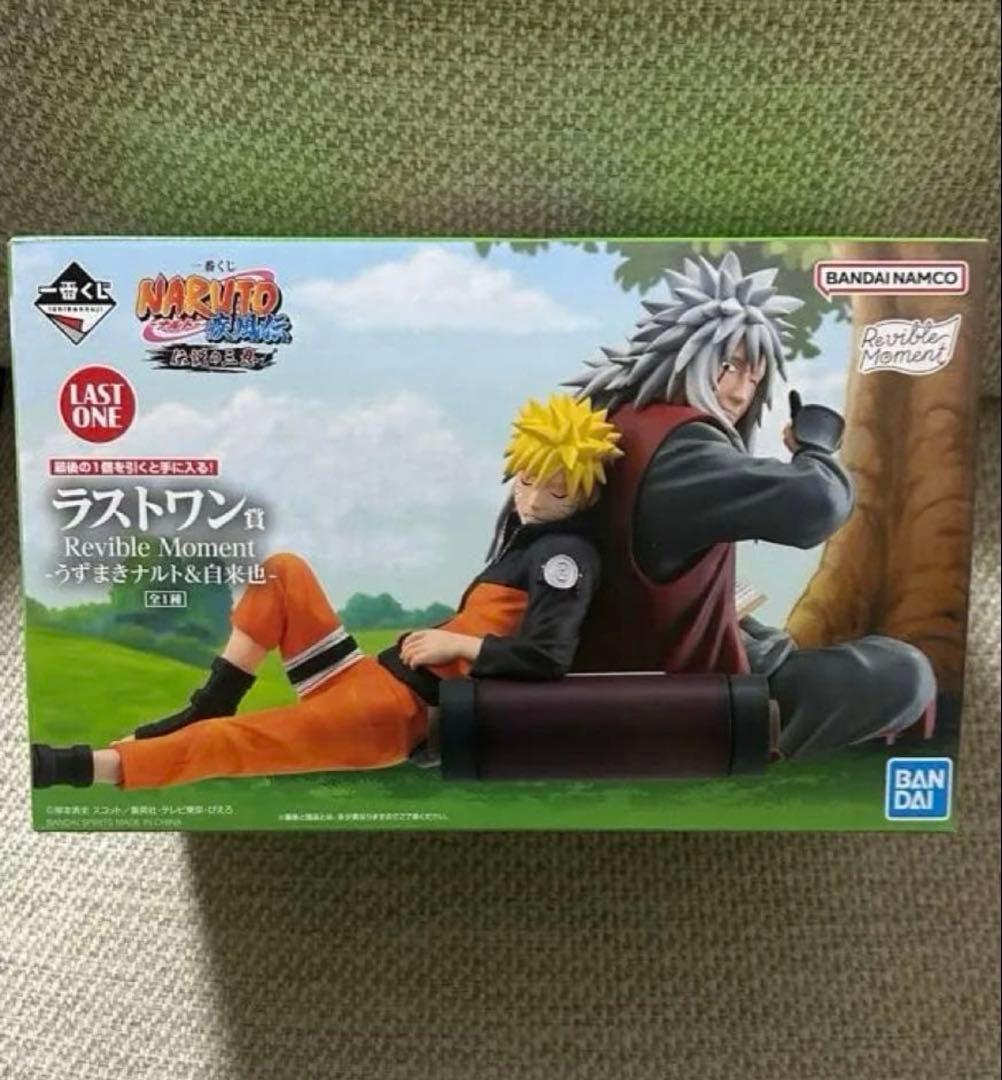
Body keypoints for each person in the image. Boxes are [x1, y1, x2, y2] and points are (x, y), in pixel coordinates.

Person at [31, 393, 623, 790]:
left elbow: (548, 657)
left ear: (588, 496)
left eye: (557, 491)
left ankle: (76, 767)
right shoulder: (526, 541)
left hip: (390, 714)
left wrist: (460, 647)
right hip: (365, 678)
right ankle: (212, 698)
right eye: (526, 479)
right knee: (281, 570)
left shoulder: (563, 557)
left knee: (232, 743)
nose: (532, 500)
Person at [564, 250, 935, 758]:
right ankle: (752, 739)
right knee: (904, 671)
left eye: (754, 377)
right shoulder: (682, 447)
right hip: (686, 694)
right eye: (729, 367)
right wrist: (815, 447)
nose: (741, 393)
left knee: (776, 639)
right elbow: (817, 505)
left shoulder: (622, 419)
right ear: (686, 354)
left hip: (637, 652)